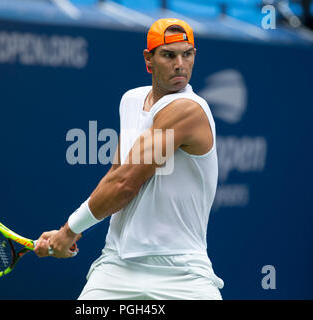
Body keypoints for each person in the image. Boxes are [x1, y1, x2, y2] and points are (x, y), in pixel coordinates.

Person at [35, 18, 224, 300]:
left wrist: (69, 229)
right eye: (169, 55)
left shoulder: (188, 110)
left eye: (187, 54)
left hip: (182, 272)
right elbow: (116, 174)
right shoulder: (131, 101)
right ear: (149, 59)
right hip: (117, 266)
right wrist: (73, 232)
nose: (180, 64)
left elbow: (125, 184)